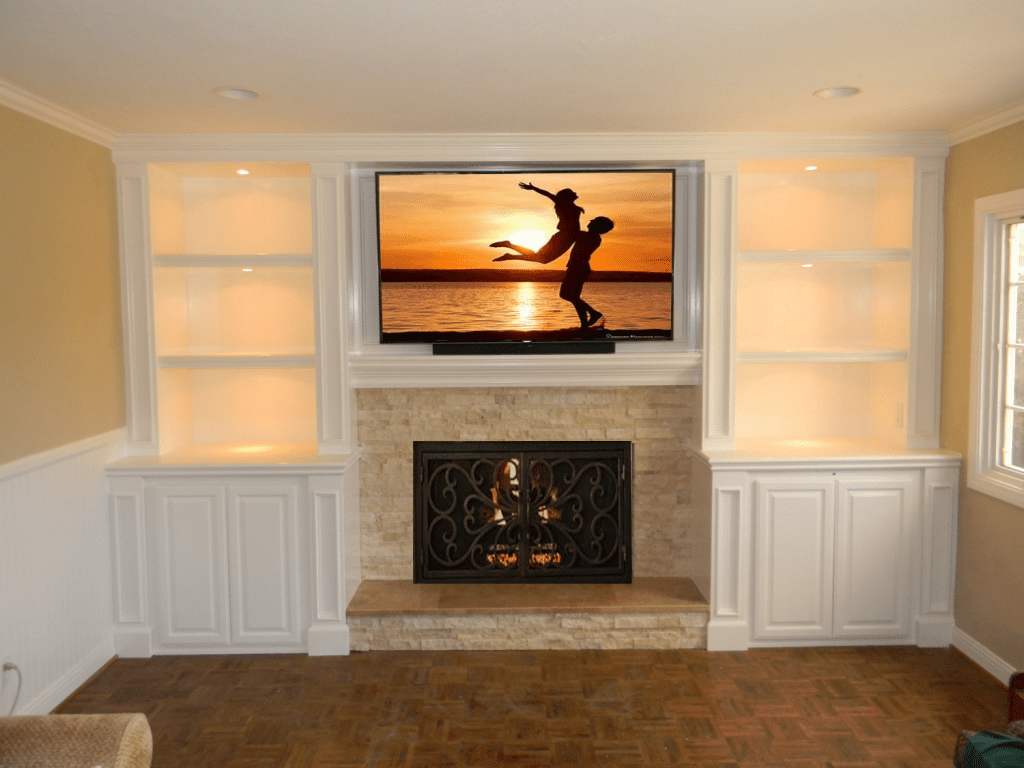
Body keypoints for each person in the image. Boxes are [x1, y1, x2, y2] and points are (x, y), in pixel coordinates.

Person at [495, 216, 615, 329]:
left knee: (572, 296)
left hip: (579, 269)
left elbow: (569, 230)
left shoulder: (590, 236)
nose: (590, 220)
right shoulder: (588, 236)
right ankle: (593, 314)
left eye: (593, 220)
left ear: (597, 226)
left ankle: (585, 324)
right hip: (576, 268)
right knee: (567, 295)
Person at [490, 182, 584, 263]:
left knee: (540, 257)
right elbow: (547, 194)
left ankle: (509, 248)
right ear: (567, 197)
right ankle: (509, 253)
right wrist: (533, 188)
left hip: (567, 236)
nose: (575, 193)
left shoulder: (571, 206)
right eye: (572, 192)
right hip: (565, 236)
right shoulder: (563, 204)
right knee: (542, 259)